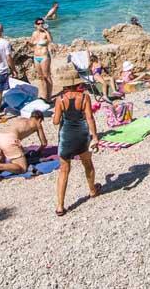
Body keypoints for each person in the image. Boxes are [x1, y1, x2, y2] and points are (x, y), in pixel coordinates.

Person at [52, 67, 100, 216]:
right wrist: (95, 136)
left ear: (65, 85)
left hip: (66, 136)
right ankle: (92, 190)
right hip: (81, 135)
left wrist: (59, 114)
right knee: (87, 163)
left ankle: (60, 206)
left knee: (64, 170)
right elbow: (90, 118)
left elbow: (56, 121)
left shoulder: (60, 99)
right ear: (77, 83)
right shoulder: (85, 97)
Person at [0, 110, 48, 183]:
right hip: (9, 140)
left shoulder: (22, 119)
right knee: (22, 168)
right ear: (39, 119)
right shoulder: (37, 124)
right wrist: (38, 152)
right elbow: (44, 143)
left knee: (1, 160)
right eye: (41, 121)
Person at [31, 18, 54, 101]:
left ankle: (49, 97)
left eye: (42, 23)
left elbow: (51, 40)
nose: (40, 25)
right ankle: (44, 95)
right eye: (39, 23)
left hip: (44, 57)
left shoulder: (46, 33)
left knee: (47, 76)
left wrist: (46, 30)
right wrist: (28, 43)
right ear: (35, 25)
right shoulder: (34, 33)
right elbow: (32, 44)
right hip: (36, 57)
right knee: (41, 77)